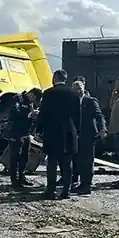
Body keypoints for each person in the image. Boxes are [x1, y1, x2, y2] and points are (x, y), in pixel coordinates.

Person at [36, 70, 81, 199]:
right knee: (67, 164)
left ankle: (50, 191)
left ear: (55, 78)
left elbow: (43, 113)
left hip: (52, 132)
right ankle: (66, 191)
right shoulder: (74, 94)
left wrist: (39, 129)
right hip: (69, 132)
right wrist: (76, 131)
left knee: (52, 163)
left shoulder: (48, 93)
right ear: (65, 79)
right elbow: (78, 116)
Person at [70, 79, 107, 195]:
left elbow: (99, 116)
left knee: (88, 160)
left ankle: (87, 185)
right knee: (78, 160)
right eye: (75, 89)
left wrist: (102, 129)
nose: (77, 91)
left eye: (79, 88)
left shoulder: (90, 101)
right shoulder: (71, 102)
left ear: (83, 89)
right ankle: (81, 183)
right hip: (76, 136)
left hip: (89, 135)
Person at [8, 88, 42, 188]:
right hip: (16, 133)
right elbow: (14, 113)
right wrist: (28, 115)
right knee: (15, 157)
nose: (33, 101)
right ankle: (14, 180)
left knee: (24, 157)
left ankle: (22, 178)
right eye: (34, 98)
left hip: (26, 134)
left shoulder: (30, 104)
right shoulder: (18, 99)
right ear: (31, 94)